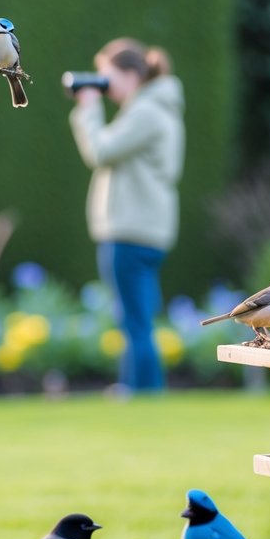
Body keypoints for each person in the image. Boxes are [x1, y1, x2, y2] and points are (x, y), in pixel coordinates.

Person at [69, 38, 184, 394]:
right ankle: (141, 386)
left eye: (108, 77)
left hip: (131, 229)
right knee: (139, 315)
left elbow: (101, 151)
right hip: (148, 228)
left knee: (132, 317)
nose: (104, 86)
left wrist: (87, 108)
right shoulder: (156, 107)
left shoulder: (146, 111)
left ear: (132, 75)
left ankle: (139, 388)